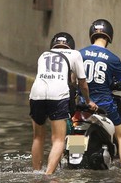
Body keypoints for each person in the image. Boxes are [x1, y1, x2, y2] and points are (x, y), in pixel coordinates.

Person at [29, 32, 97, 175]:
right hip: (61, 98)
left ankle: (36, 173)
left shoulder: (44, 55)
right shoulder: (75, 55)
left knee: (38, 137)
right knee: (59, 139)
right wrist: (89, 100)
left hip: (36, 94)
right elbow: (82, 84)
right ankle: (49, 175)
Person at [80, 19, 121, 169]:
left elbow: (73, 79)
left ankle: (75, 154)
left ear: (92, 35)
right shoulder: (112, 58)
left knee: (76, 130)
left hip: (83, 105)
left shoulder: (80, 54)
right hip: (105, 106)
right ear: (109, 36)